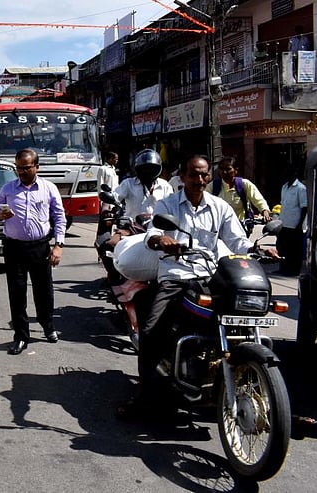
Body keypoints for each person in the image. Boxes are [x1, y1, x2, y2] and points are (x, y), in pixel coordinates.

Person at [116, 155, 277, 420]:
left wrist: (257, 249)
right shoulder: (168, 204)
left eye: (203, 175)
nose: (199, 180)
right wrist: (161, 240)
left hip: (209, 274)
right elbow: (152, 234)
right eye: (193, 174)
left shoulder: (219, 207)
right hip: (176, 275)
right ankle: (144, 398)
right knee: (151, 330)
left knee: (240, 317)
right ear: (183, 176)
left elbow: (237, 241)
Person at [0, 148, 66, 355]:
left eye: (26, 168)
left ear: (36, 167)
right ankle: (21, 336)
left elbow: (59, 217)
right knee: (17, 293)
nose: (22, 172)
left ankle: (48, 325)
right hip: (14, 248)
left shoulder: (48, 188)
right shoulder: (8, 189)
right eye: (18, 168)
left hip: (40, 247)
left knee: (44, 291)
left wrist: (58, 245)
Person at [111, 149, 174, 220]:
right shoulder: (128, 184)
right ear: (138, 169)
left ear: (158, 169)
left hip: (157, 226)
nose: (148, 171)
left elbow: (172, 207)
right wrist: (107, 207)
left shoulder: (165, 186)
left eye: (151, 168)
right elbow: (114, 197)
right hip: (132, 225)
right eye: (145, 169)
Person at [211, 156, 271, 226]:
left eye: (228, 169)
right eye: (221, 169)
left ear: (236, 170)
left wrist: (265, 211)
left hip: (240, 226)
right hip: (219, 227)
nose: (224, 172)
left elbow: (259, 200)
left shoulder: (244, 184)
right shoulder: (213, 186)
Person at [277, 165, 308, 276]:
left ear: (295, 174)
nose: (288, 174)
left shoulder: (301, 188)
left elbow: (304, 207)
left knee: (294, 250)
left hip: (295, 225)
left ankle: (294, 271)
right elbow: (283, 204)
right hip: (283, 223)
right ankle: (283, 269)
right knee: (282, 248)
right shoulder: (284, 187)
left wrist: (300, 224)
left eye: (290, 172)